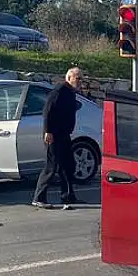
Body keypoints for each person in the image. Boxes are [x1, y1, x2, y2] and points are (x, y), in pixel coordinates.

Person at [31, 67, 82, 210]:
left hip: (64, 134)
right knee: (51, 166)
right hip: (53, 135)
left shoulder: (70, 92)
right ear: (69, 77)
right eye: (78, 78)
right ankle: (38, 198)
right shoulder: (59, 90)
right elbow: (47, 110)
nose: (80, 82)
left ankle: (67, 196)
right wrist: (48, 131)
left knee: (68, 165)